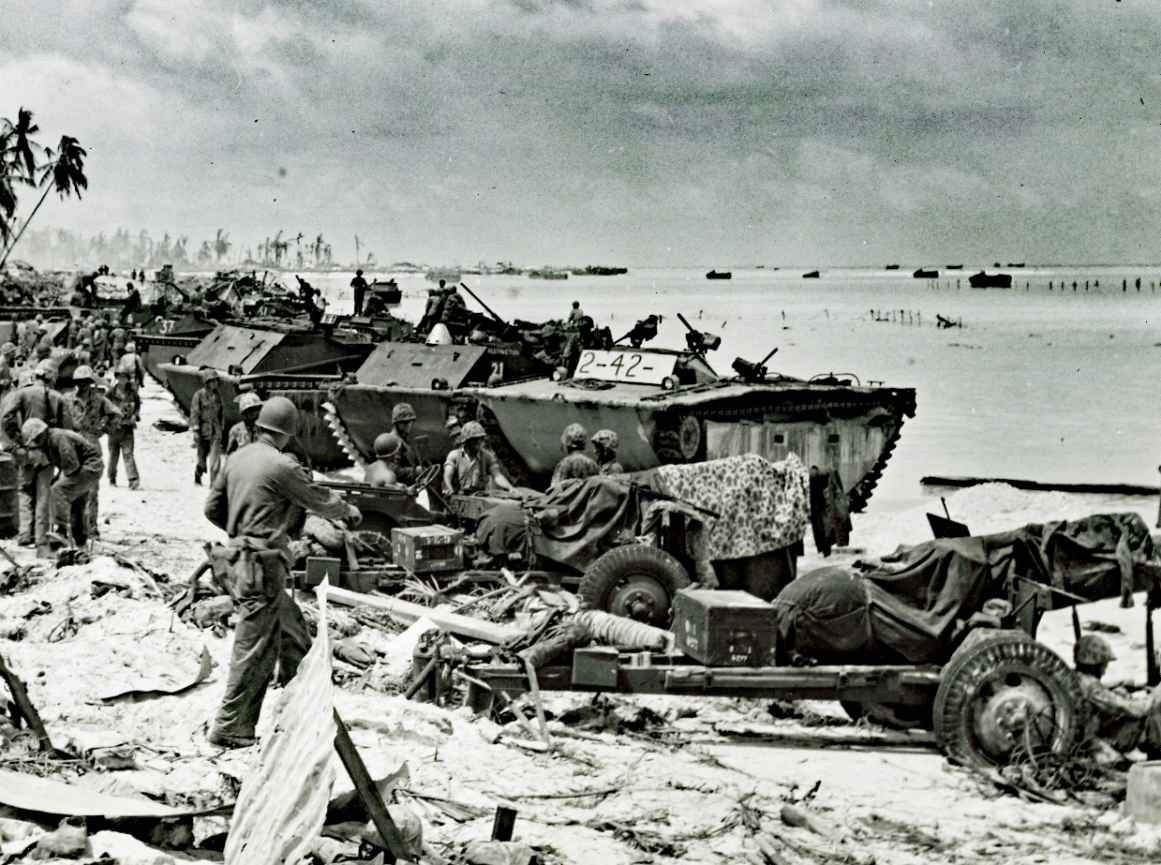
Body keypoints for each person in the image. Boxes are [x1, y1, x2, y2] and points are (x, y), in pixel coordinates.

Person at [204, 396, 362, 748]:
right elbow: (317, 498)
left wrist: (240, 530)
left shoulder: (236, 458)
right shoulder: (281, 466)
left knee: (290, 633)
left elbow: (212, 508)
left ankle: (300, 704)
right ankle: (230, 727)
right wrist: (348, 511)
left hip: (237, 561)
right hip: (262, 566)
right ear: (288, 433)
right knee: (254, 648)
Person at [1, 360, 73, 557]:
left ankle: (25, 534)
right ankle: (41, 537)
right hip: (48, 454)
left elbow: (6, 418)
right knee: (43, 495)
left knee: (25, 492)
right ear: (51, 377)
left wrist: (18, 441)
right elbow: (67, 430)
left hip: (26, 452)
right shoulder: (59, 398)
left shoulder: (22, 394)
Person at [1074, 634, 1161, 758]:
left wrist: (1120, 686)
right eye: (1104, 665)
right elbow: (1136, 709)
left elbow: (1099, 691)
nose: (1104, 670)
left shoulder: (1076, 678)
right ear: (1096, 664)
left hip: (1092, 732)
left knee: (1121, 693)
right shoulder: (1093, 688)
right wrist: (1156, 695)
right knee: (1153, 717)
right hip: (1100, 740)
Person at [21, 417, 103, 549]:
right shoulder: (49, 441)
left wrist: (60, 481)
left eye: (36, 440)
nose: (35, 444)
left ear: (41, 434)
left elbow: (71, 465)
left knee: (57, 490)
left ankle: (61, 530)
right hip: (85, 468)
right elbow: (65, 466)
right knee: (76, 502)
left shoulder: (58, 437)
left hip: (90, 467)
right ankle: (80, 541)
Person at [66, 365, 121, 539]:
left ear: (90, 383)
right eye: (79, 382)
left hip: (91, 447)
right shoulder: (68, 400)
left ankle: (91, 528)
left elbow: (116, 414)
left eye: (85, 382)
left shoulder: (100, 400)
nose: (82, 386)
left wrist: (104, 429)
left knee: (91, 490)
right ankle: (73, 528)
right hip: (72, 448)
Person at [443, 421, 512, 496]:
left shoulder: (487, 456)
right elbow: (447, 475)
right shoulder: (454, 455)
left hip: (479, 497)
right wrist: (449, 488)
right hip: (458, 497)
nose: (480, 442)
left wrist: (510, 488)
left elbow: (497, 476)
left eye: (481, 438)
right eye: (475, 439)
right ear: (467, 441)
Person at [106, 365, 141, 489]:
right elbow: (104, 407)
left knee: (128, 453)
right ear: (116, 378)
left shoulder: (133, 393)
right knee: (113, 455)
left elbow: (137, 406)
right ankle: (112, 477)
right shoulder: (111, 393)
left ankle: (133, 479)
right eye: (120, 377)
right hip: (114, 428)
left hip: (127, 428)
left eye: (124, 377)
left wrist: (135, 416)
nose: (122, 380)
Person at [190, 368, 224, 486]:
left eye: (216, 381)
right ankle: (198, 473)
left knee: (215, 460)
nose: (215, 383)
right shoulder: (198, 395)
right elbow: (195, 412)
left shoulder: (218, 396)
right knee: (202, 459)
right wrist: (195, 430)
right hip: (202, 430)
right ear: (207, 382)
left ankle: (214, 484)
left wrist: (221, 429)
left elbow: (221, 413)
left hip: (215, 431)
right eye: (212, 381)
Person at [390, 403, 421, 484]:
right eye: (405, 423)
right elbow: (393, 471)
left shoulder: (403, 439)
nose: (409, 426)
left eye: (411, 422)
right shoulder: (394, 441)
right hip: (398, 490)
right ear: (397, 423)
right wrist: (416, 471)